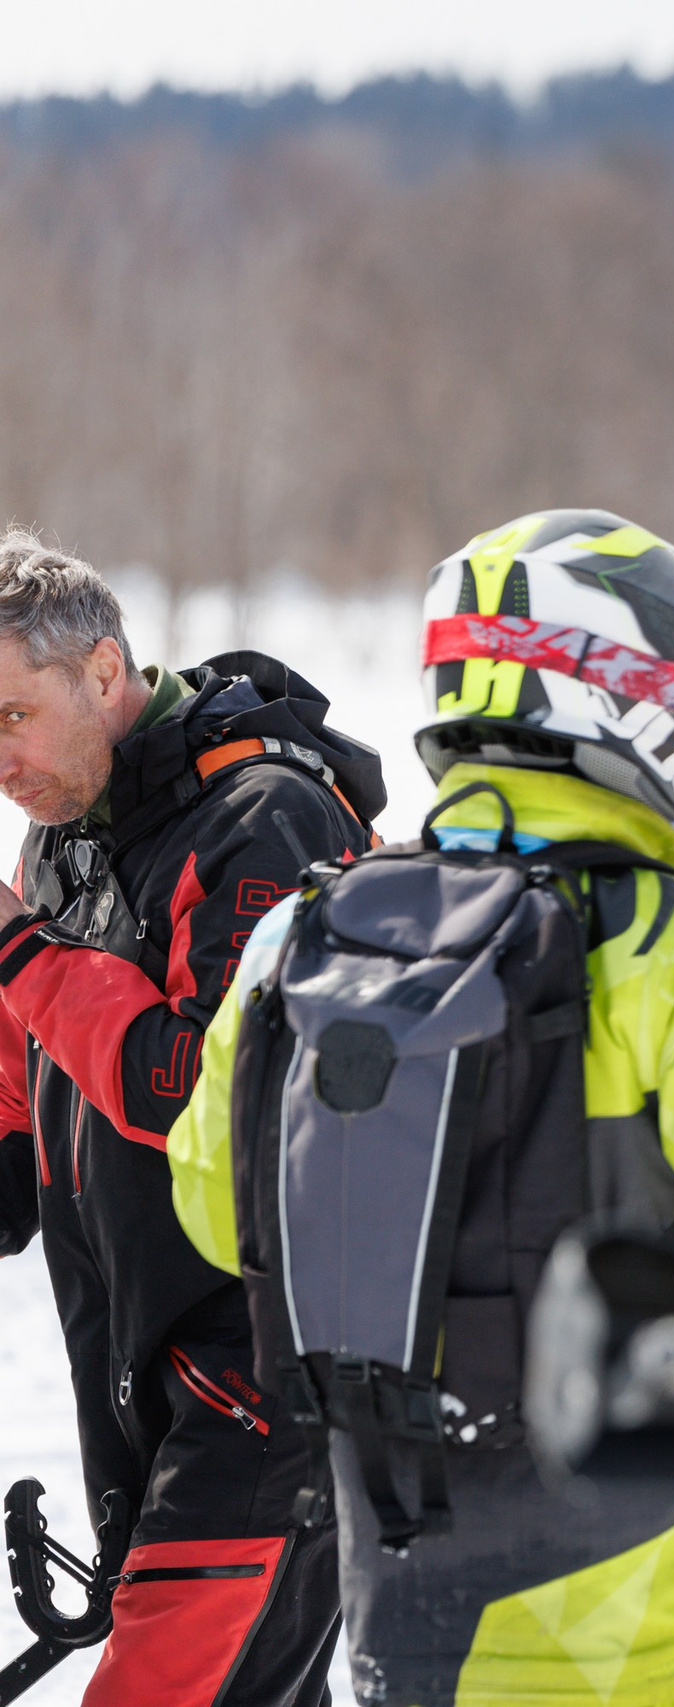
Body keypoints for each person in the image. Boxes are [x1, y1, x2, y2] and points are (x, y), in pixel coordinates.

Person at [166, 510, 674, 1707]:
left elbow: (219, 1215)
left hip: (406, 1598)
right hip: (669, 1628)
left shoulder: (302, 935)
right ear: (632, 695)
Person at [0, 529, 382, 1705]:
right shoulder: (68, 833)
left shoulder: (267, 817)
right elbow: (29, 1107)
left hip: (270, 1386)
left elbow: (203, 1088)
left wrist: (19, 951)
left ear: (104, 672)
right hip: (148, 1387)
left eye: (12, 715)